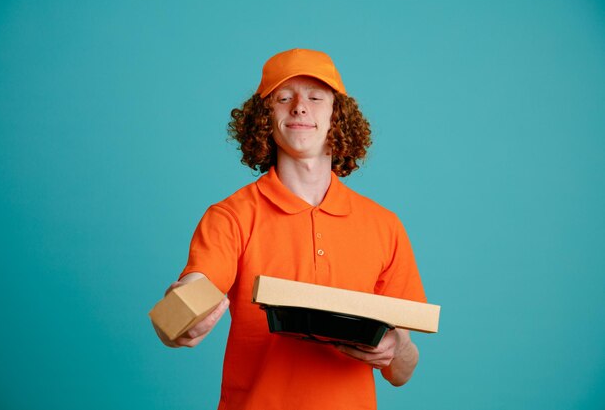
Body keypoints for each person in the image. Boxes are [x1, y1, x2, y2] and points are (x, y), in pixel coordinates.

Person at [153, 48, 427, 410]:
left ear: (337, 116)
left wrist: (397, 349)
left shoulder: (384, 226)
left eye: (315, 97)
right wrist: (177, 320)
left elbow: (401, 371)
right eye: (284, 98)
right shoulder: (232, 216)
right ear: (265, 117)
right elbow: (191, 296)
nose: (300, 107)